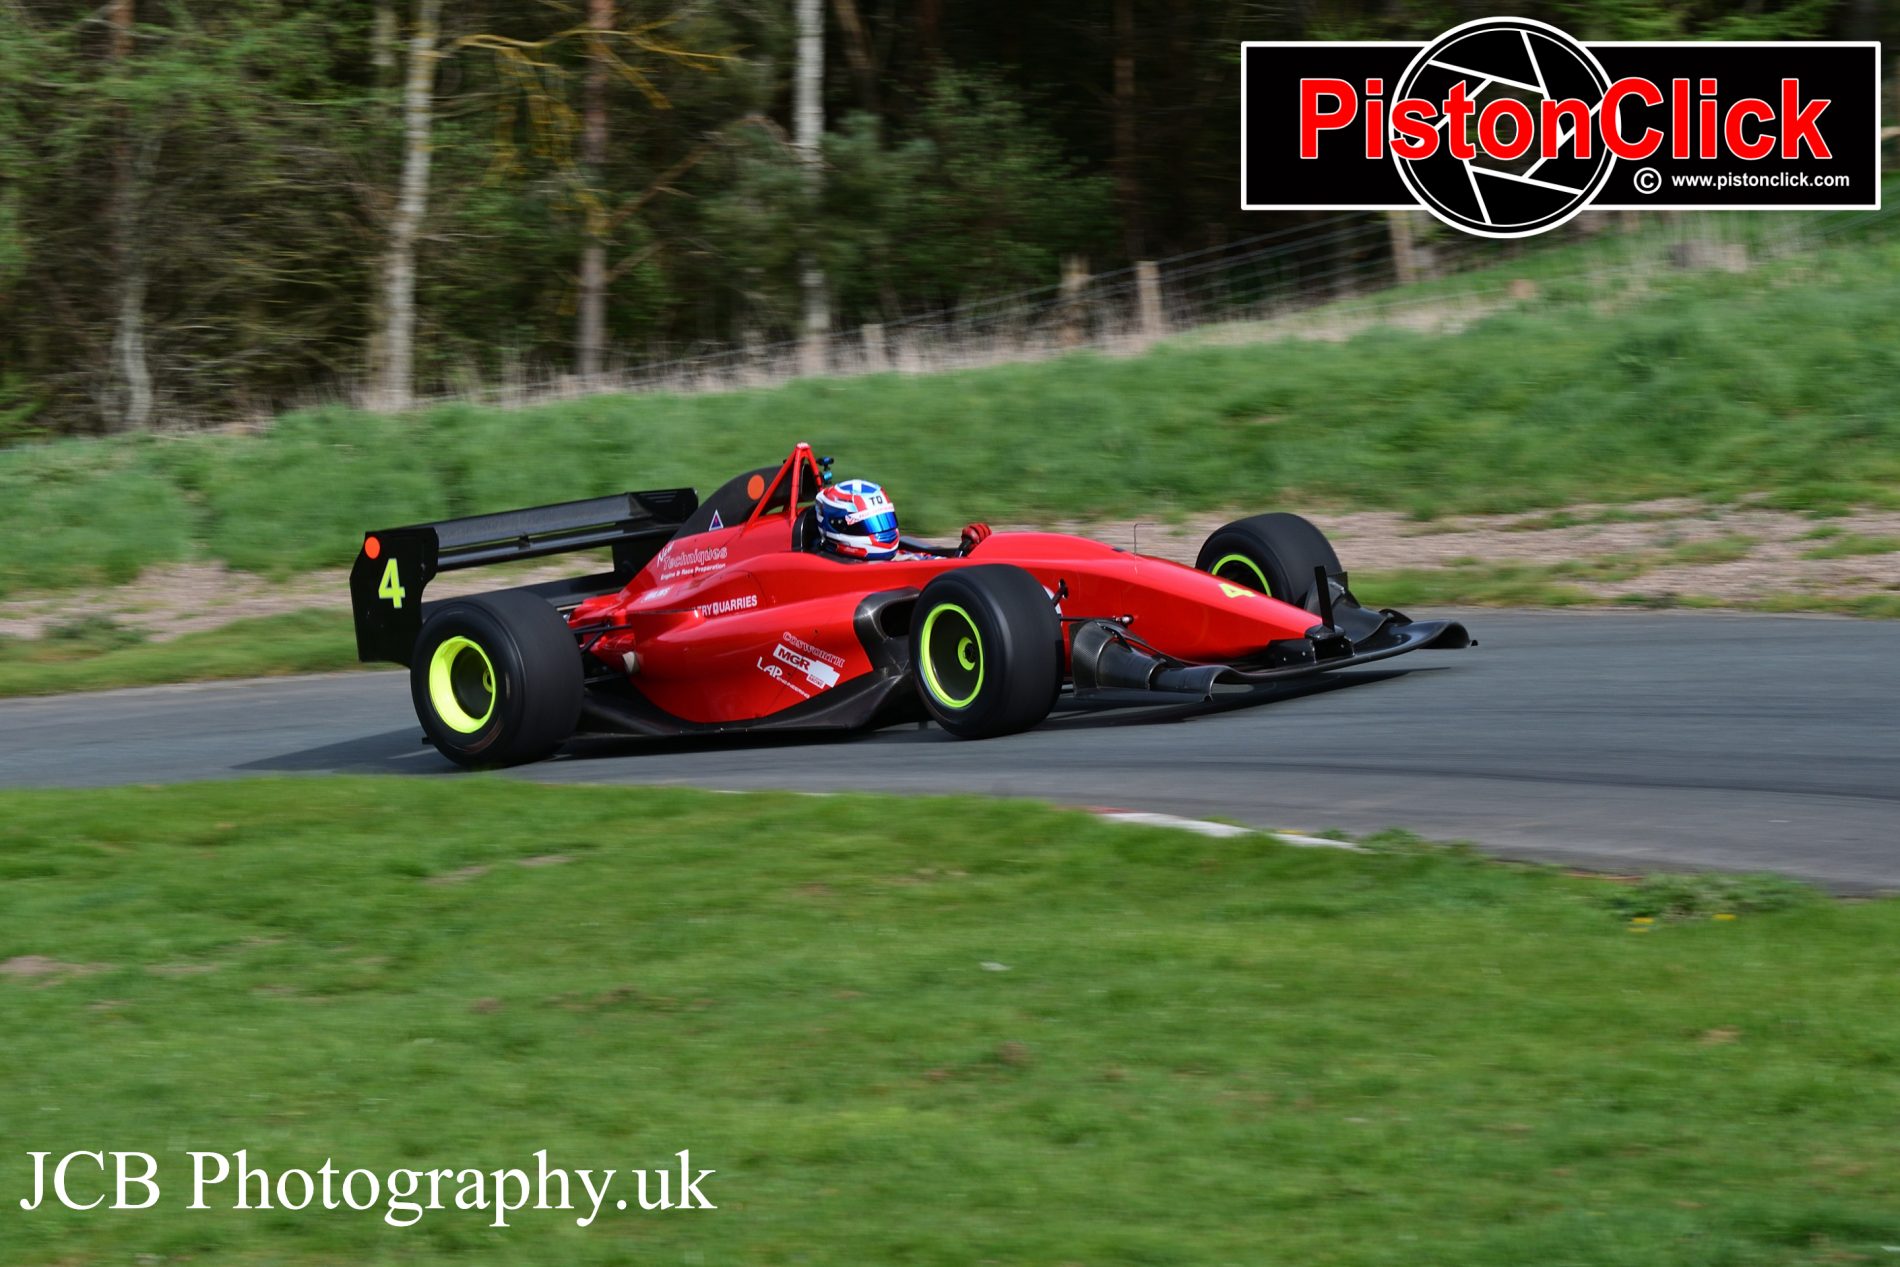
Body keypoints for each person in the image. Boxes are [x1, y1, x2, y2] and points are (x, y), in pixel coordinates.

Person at [813, 479, 991, 561]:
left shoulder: (897, 557)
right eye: (871, 524)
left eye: (885, 520)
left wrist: (968, 553)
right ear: (839, 527)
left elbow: (924, 560)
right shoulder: (829, 568)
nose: (884, 531)